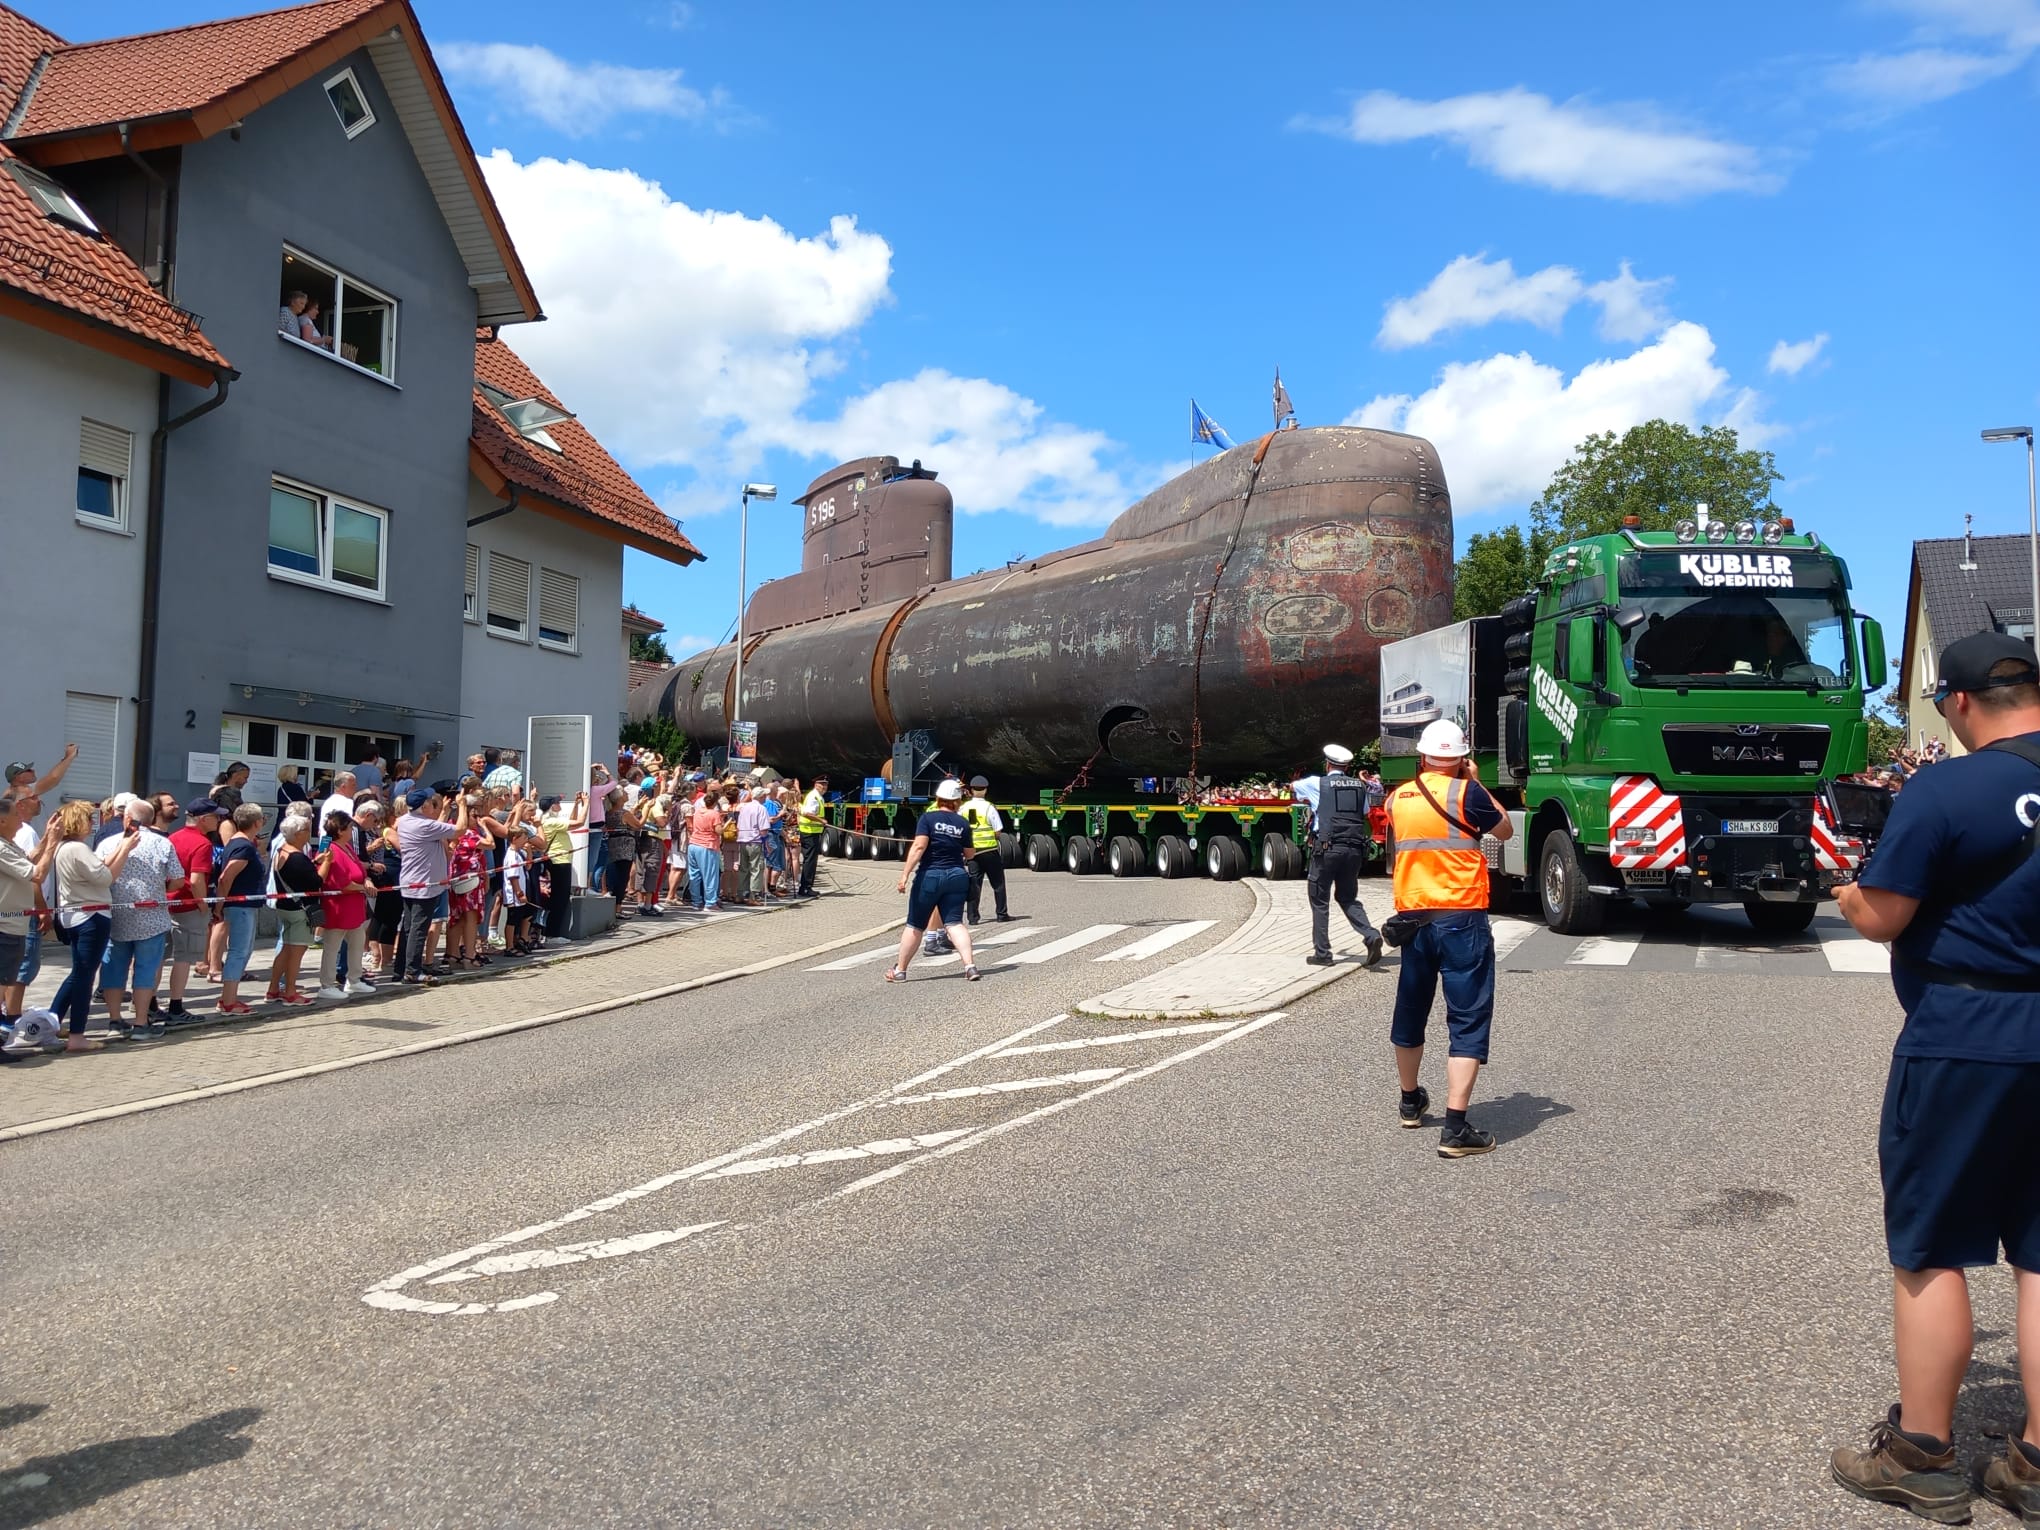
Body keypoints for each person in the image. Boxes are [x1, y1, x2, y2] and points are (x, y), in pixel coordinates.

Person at [1827, 632, 2040, 1523]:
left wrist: (1847, 892)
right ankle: (2034, 1465)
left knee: (1932, 1247)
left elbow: (1884, 916)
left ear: (1957, 702)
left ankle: (1922, 1453)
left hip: (1966, 1035)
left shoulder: (1947, 788)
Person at [1384, 719, 1512, 1159]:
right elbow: (1504, 830)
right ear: (1460, 758)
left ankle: (1409, 1101)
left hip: (1414, 921)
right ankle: (1455, 1129)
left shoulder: (1397, 798)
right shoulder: (1467, 793)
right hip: (1461, 917)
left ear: (1422, 756)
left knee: (1411, 1008)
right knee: (1467, 1017)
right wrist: (1475, 782)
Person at [45, 800, 127, 1050]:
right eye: (88, 819)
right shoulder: (78, 849)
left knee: (78, 973)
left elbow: (99, 869)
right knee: (85, 977)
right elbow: (105, 877)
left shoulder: (63, 847)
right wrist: (125, 849)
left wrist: (121, 846)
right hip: (91, 916)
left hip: (75, 916)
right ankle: (77, 1035)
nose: (92, 824)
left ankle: (52, 1022)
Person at [1294, 744, 1384, 968]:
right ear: (1347, 767)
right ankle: (1371, 935)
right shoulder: (1359, 786)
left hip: (1326, 849)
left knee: (1319, 900)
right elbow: (1365, 812)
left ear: (1327, 764)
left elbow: (1293, 787)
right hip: (1353, 850)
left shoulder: (1316, 783)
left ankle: (1322, 954)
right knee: (1347, 897)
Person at [887, 778, 981, 982]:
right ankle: (970, 966)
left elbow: (919, 847)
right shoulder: (963, 823)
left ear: (938, 798)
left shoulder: (928, 819)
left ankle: (900, 971)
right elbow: (970, 854)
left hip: (930, 875)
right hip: (956, 876)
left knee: (915, 925)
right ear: (957, 801)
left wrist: (905, 874)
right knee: (955, 923)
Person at [0, 789, 61, 1047]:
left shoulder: (9, 844)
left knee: (7, 980)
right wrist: (53, 844)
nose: (21, 819)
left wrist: (47, 836)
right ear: (2, 820)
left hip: (14, 926)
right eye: (16, 815)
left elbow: (27, 860)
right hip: (5, 927)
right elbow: (36, 874)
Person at [395, 787, 469, 984]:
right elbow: (460, 830)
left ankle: (401, 969)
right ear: (424, 806)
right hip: (424, 885)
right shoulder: (425, 825)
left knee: (409, 928)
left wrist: (443, 811)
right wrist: (462, 806)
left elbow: (436, 828)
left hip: (410, 881)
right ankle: (412, 971)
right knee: (419, 929)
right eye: (430, 802)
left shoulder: (404, 821)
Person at [164, 798, 224, 1025]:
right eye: (216, 816)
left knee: (159, 957)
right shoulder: (202, 843)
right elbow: (197, 879)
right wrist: (202, 904)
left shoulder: (173, 837)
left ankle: (148, 1004)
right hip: (188, 906)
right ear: (203, 819)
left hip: (167, 903)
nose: (219, 820)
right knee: (184, 958)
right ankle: (176, 1006)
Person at [210, 804, 266, 1015]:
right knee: (238, 951)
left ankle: (229, 997)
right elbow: (226, 877)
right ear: (257, 822)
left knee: (243, 950)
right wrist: (219, 906)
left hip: (242, 905)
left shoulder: (240, 843)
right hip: (240, 906)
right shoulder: (243, 846)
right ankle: (228, 1000)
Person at [315, 809, 372, 999]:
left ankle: (354, 979)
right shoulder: (329, 848)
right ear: (340, 831)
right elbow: (341, 883)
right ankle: (327, 984)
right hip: (338, 906)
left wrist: (366, 880)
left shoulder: (346, 847)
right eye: (349, 828)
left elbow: (359, 869)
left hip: (354, 905)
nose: (351, 831)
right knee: (332, 947)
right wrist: (363, 888)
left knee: (357, 942)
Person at [269, 815, 321, 1005]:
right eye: (307, 830)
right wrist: (326, 863)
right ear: (298, 833)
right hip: (300, 909)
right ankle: (290, 991)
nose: (309, 833)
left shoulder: (281, 851)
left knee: (285, 949)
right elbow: (317, 882)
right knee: (297, 951)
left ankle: (273, 989)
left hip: (286, 906)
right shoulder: (298, 857)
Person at [356, 800, 401, 976]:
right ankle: (376, 958)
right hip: (370, 880)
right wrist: (368, 869)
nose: (376, 824)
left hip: (377, 878)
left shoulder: (369, 830)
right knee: (378, 920)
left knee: (377, 918)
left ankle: (375, 959)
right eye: (375, 820)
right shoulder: (357, 830)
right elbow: (354, 856)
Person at [961, 776, 1012, 924]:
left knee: (974, 884)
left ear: (971, 790)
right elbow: (998, 831)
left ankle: (972, 918)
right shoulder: (989, 807)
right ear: (985, 790)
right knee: (998, 884)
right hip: (989, 851)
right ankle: (1002, 914)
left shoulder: (963, 808)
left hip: (972, 852)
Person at [539, 791, 586, 941]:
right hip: (559, 861)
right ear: (552, 806)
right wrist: (587, 803)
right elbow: (579, 823)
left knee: (560, 897)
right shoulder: (550, 821)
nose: (559, 804)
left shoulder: (551, 820)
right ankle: (553, 934)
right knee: (560, 898)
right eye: (557, 802)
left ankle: (551, 932)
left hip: (560, 860)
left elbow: (571, 822)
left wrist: (577, 805)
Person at [686, 788, 724, 913]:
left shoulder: (697, 811)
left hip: (693, 843)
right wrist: (724, 824)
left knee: (694, 875)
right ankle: (710, 903)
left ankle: (696, 902)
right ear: (715, 802)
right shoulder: (714, 814)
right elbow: (718, 831)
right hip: (707, 845)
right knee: (710, 875)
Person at [734, 787, 769, 905]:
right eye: (764, 796)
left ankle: (740, 894)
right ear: (761, 797)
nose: (765, 797)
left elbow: (738, 825)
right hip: (755, 841)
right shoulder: (761, 808)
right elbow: (763, 829)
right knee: (756, 868)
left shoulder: (744, 807)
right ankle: (753, 896)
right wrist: (766, 842)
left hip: (742, 840)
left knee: (743, 868)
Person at [797, 775, 830, 898]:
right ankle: (805, 888)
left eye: (826, 785)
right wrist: (821, 820)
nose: (824, 787)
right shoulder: (813, 797)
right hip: (809, 832)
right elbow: (807, 813)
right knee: (809, 861)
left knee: (811, 860)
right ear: (816, 785)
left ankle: (807, 886)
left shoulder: (818, 797)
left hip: (813, 832)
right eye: (822, 784)